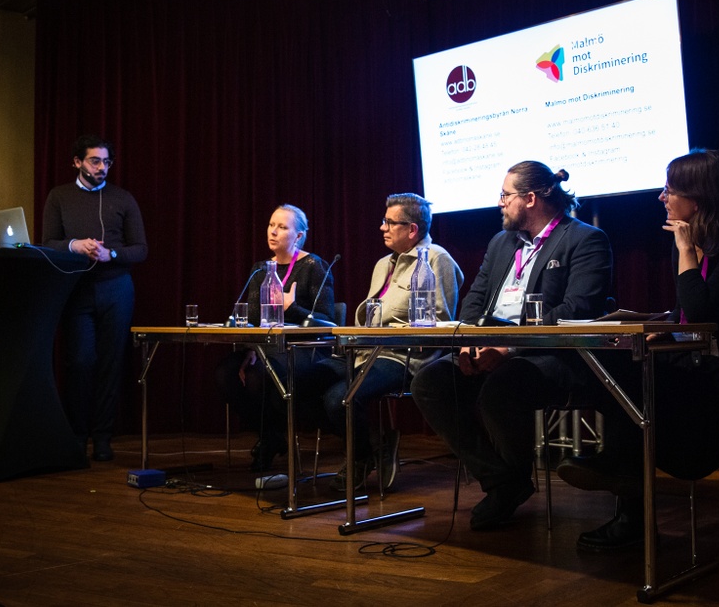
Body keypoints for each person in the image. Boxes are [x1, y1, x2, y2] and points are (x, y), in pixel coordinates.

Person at [557, 148, 719, 552]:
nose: (661, 198)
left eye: (669, 190)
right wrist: (664, 331)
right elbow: (688, 316)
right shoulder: (690, 244)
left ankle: (630, 483)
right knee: (619, 364)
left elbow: (702, 311)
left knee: (641, 381)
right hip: (705, 363)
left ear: (697, 198)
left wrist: (685, 250)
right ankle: (627, 486)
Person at [411, 161, 613, 531]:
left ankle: (509, 483)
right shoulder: (500, 242)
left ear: (531, 198)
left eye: (506, 195)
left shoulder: (584, 239)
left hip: (550, 356)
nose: (500, 202)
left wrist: (509, 349)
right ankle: (504, 482)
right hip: (489, 347)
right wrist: (468, 346)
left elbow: (578, 309)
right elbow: (474, 301)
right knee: (430, 381)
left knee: (500, 389)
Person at [310, 193, 464, 491]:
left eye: (389, 222)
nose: (382, 227)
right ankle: (376, 444)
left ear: (412, 229)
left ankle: (361, 457)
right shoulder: (383, 263)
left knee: (339, 398)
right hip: (365, 352)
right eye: (384, 221)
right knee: (305, 383)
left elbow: (441, 322)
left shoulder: (437, 259)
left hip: (402, 357)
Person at [43, 134, 148, 461]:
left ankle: (103, 437)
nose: (102, 168)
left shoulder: (123, 198)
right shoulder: (59, 196)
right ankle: (77, 435)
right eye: (95, 161)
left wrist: (111, 253)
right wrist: (75, 245)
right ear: (77, 162)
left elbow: (141, 249)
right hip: (76, 290)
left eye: (106, 162)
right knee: (80, 362)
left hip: (116, 287)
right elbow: (48, 242)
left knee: (110, 363)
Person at [214, 204, 336, 472]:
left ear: (299, 236)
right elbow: (255, 317)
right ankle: (270, 435)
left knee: (260, 376)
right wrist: (249, 347)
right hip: (265, 348)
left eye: (282, 227)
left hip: (303, 351)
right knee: (226, 373)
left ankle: (271, 438)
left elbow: (328, 321)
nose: (274, 232)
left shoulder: (314, 266)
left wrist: (292, 307)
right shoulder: (261, 269)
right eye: (272, 225)